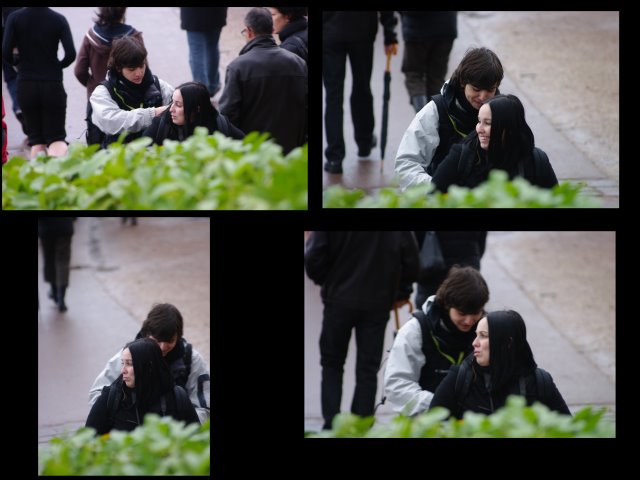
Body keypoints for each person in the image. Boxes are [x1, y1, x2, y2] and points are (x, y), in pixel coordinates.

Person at [305, 231, 420, 430]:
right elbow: (412, 262)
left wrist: (328, 281)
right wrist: (400, 291)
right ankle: (361, 425)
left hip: (338, 300)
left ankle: (331, 425)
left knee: (332, 363)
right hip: (378, 301)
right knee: (367, 368)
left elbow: (313, 256)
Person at [383, 266, 489, 416]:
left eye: (475, 313)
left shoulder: (488, 330)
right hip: (426, 422)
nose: (469, 321)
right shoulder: (415, 330)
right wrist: (441, 405)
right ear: (446, 304)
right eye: (462, 313)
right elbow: (397, 385)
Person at [395, 47, 504, 190]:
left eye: (490, 90)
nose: (483, 97)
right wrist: (439, 190)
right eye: (476, 89)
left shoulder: (503, 112)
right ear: (463, 82)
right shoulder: (435, 111)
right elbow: (406, 165)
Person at [430, 310, 571, 418]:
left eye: (483, 336)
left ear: (508, 343)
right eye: (476, 335)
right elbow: (431, 428)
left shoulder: (540, 382)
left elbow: (570, 430)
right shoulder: (459, 378)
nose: (474, 343)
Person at [89, 303, 210, 424]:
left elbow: (204, 406)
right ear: (146, 334)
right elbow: (97, 393)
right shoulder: (127, 356)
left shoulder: (191, 359)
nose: (163, 347)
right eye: (157, 341)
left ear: (178, 336)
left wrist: (181, 430)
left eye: (170, 341)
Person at [219, 7, 307, 154]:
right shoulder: (298, 63)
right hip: (290, 149)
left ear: (249, 31)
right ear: (272, 29)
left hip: (253, 150)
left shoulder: (238, 67)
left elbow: (228, 114)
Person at [432, 94, 558, 192]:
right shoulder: (461, 156)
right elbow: (432, 198)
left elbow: (557, 202)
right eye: (479, 121)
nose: (479, 129)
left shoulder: (536, 161)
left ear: (509, 128)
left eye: (488, 123)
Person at [323, 11, 398, 174]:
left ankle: (335, 157)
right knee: (362, 87)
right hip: (361, 28)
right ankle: (364, 142)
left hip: (329, 30)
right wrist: (389, 33)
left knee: (333, 95)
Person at [2, 7, 76, 159]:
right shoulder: (58, 19)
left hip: (26, 84)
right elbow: (70, 54)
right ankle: (59, 177)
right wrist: (57, 66)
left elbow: (5, 52)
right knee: (56, 138)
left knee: (36, 140)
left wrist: (17, 63)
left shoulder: (15, 18)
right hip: (52, 83)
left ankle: (39, 176)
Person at [86, 338, 200, 435]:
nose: (122, 371)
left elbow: (196, 442)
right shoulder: (111, 397)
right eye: (123, 363)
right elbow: (88, 441)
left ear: (149, 367)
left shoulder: (177, 398)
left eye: (129, 364)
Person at [89, 35, 173, 148]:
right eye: (131, 69)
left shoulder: (159, 86)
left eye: (141, 66)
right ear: (118, 68)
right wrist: (153, 113)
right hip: (118, 157)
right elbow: (114, 123)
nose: (139, 73)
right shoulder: (102, 93)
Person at [144, 81, 244, 145]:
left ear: (197, 109)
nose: (171, 109)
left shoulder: (220, 126)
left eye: (178, 105)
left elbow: (246, 146)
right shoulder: (162, 124)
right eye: (172, 102)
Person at [399, 12, 457, 112]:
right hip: (446, 26)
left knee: (414, 75)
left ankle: (423, 117)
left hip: (418, 29)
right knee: (436, 78)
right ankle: (436, 116)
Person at [414, 231, 487, 311]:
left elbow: (414, 244)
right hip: (466, 267)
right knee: (466, 312)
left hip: (432, 267)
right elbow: (481, 241)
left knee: (429, 314)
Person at [180, 8, 228, 98]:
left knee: (196, 52)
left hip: (193, 14)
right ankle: (212, 86)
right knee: (212, 47)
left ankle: (201, 92)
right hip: (216, 13)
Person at [38, 218, 75, 313]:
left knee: (49, 260)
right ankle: (61, 298)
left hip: (46, 228)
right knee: (62, 262)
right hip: (64, 227)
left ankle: (54, 292)